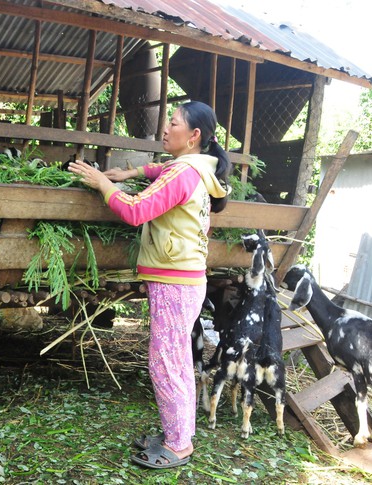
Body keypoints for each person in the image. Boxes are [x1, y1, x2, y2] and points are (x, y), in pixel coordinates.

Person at [68, 100, 231, 469]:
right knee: (175, 361)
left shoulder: (183, 174)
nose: (164, 128)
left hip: (175, 282)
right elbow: (163, 169)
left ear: (193, 136)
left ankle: (178, 445)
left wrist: (103, 183)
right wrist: (132, 172)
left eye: (172, 123)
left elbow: (135, 211)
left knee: (165, 363)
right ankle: (180, 434)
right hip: (185, 279)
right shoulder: (198, 168)